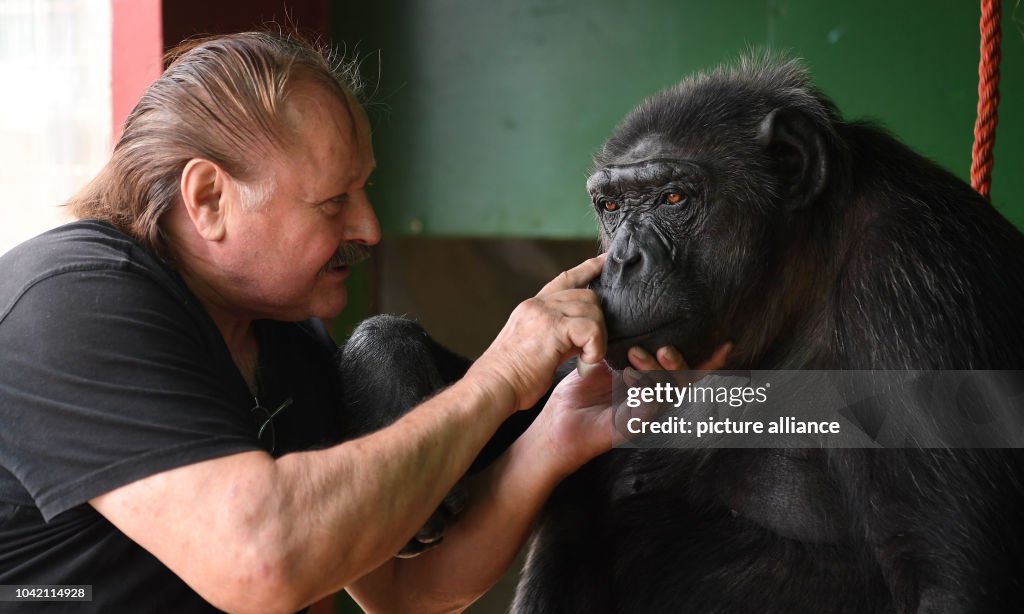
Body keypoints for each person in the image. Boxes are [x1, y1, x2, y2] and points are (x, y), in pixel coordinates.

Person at [0, 32, 724, 613]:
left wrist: (556, 433)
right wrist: (501, 377)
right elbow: (260, 562)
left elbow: (411, 591)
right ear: (209, 198)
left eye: (365, 190)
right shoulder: (69, 299)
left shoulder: (283, 340)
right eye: (333, 202)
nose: (370, 228)